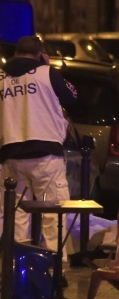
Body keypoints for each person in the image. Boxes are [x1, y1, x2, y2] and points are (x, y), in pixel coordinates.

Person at [0, 35, 78, 259]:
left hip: (10, 157)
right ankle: (55, 271)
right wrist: (48, 67)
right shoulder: (47, 73)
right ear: (40, 54)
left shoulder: (1, 76)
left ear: (16, 53)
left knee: (16, 217)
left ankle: (17, 270)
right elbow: (72, 96)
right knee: (54, 216)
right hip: (45, 157)